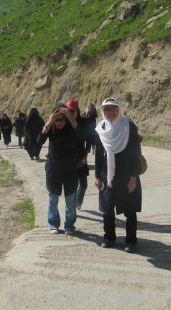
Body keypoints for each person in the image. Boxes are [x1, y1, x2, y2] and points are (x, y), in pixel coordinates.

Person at [94, 97, 142, 253]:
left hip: (127, 176)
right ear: (102, 111)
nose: (110, 112)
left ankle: (131, 241)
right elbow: (99, 154)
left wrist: (133, 177)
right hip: (107, 176)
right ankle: (109, 238)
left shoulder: (128, 126)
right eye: (106, 109)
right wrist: (97, 176)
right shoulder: (100, 128)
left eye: (113, 108)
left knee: (129, 210)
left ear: (118, 109)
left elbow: (136, 153)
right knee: (107, 210)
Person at [37, 103, 79, 235]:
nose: (60, 122)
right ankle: (53, 224)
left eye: (63, 119)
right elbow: (39, 141)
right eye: (57, 119)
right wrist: (49, 122)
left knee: (71, 199)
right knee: (53, 198)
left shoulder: (71, 128)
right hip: (53, 168)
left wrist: (69, 116)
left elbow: (81, 133)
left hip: (70, 169)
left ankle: (70, 225)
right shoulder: (50, 127)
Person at [65, 98, 95, 211]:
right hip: (68, 159)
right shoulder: (64, 122)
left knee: (83, 185)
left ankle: (78, 202)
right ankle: (71, 205)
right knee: (71, 186)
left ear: (77, 110)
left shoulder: (83, 122)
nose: (71, 113)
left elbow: (90, 138)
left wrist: (86, 154)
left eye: (73, 111)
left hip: (81, 157)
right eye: (69, 111)